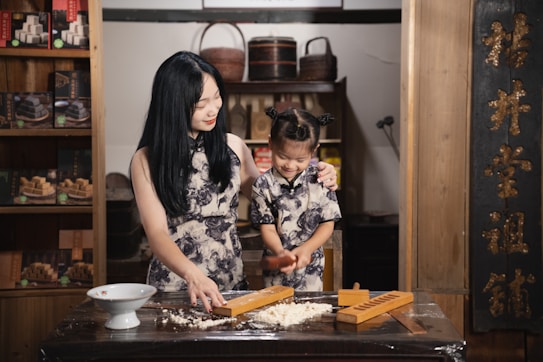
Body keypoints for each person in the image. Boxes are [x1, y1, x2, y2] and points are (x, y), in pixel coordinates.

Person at [130, 51, 338, 312]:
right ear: (174, 104)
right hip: (176, 287)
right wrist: (193, 275)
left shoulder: (233, 147)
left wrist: (317, 177)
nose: (214, 108)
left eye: (217, 97)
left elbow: (273, 195)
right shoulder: (147, 160)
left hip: (230, 284)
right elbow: (157, 233)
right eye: (201, 102)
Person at [250, 107, 342, 291]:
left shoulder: (321, 179)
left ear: (314, 150)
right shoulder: (262, 184)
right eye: (283, 156)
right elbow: (267, 227)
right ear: (270, 143)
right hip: (278, 266)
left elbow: (327, 224)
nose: (291, 165)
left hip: (311, 267)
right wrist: (280, 252)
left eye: (300, 159)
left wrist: (307, 249)